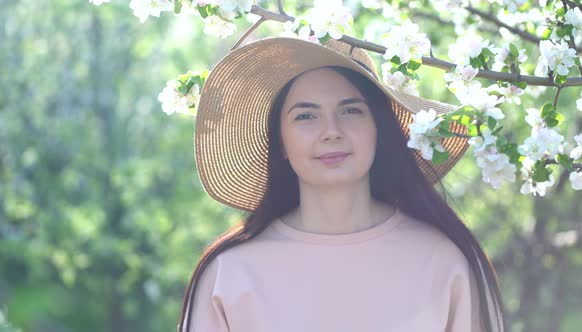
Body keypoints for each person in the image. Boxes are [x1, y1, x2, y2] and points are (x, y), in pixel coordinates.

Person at [178, 37, 506, 332]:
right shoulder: (229, 273)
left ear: (379, 128)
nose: (331, 130)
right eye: (306, 116)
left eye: (350, 110)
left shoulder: (441, 260)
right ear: (279, 142)